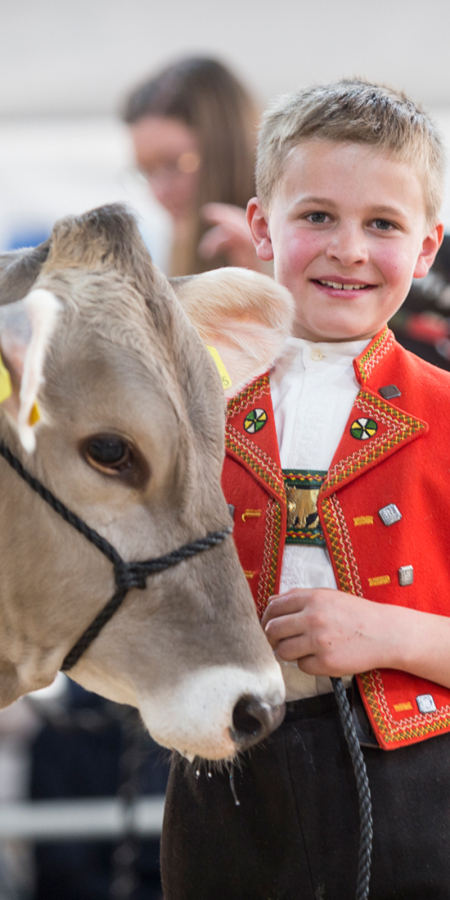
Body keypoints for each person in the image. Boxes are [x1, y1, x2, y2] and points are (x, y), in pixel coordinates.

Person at [161, 79, 450, 899]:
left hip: (420, 788)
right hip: (225, 786)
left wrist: (392, 635)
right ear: (261, 226)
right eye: (317, 216)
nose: (348, 249)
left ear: (427, 247)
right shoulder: (190, 410)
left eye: (383, 225)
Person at [122, 56, 262, 275]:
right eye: (146, 173)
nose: (159, 193)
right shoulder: (178, 251)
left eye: (172, 164)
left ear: (225, 149)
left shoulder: (290, 240)